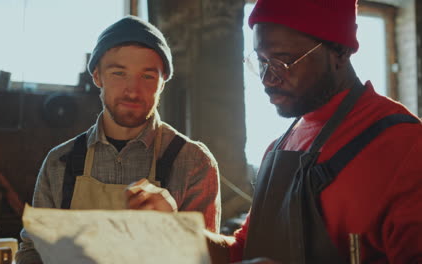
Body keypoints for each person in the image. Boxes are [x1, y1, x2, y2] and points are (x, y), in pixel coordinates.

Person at [142, 0, 422, 263]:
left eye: (283, 61)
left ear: (340, 51)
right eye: (261, 62)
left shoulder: (403, 145)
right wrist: (176, 232)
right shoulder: (280, 148)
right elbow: (242, 250)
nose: (267, 78)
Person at [15, 15, 221, 264]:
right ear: (97, 77)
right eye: (118, 73)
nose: (133, 90)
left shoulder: (194, 162)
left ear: (163, 81)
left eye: (147, 76)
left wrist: (175, 225)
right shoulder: (60, 162)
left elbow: (210, 259)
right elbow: (33, 251)